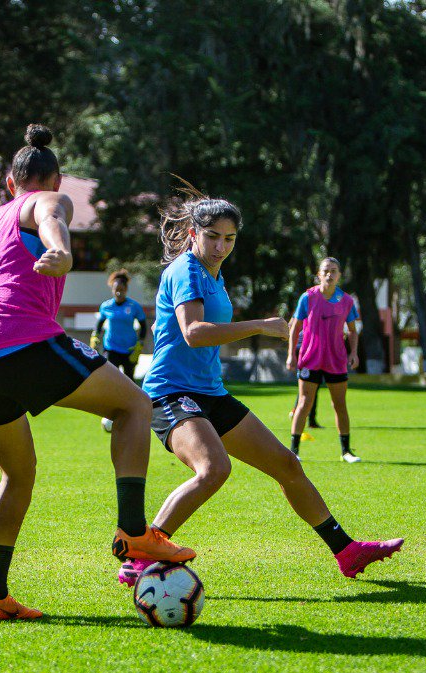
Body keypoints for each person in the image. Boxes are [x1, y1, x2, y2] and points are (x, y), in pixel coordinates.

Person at [0, 124, 195, 621]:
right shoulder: (47, 201)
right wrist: (61, 249)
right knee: (134, 405)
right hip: (16, 340)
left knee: (17, 475)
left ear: (10, 183)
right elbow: (51, 215)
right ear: (55, 180)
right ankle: (134, 531)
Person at [118, 189, 402, 586]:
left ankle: (347, 551)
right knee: (214, 468)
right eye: (213, 236)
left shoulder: (214, 274)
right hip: (170, 392)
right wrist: (259, 325)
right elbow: (194, 333)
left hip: (210, 392)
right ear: (193, 232)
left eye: (230, 239)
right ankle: (144, 548)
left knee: (288, 465)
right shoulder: (185, 270)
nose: (221, 246)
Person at [286, 258, 361, 463]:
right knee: (304, 403)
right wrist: (291, 354)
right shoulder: (307, 298)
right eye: (326, 271)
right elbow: (295, 328)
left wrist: (353, 353)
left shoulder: (346, 301)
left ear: (339, 275)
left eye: (333, 271)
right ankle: (294, 451)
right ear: (319, 275)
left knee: (340, 405)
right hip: (310, 358)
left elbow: (353, 331)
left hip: (336, 360)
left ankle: (346, 451)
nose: (329, 274)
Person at [91, 268, 148, 382]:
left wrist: (140, 344)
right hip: (111, 347)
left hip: (129, 348)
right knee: (111, 378)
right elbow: (100, 323)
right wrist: (95, 336)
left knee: (129, 379)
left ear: (126, 289)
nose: (118, 293)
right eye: (116, 289)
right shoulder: (106, 306)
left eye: (121, 290)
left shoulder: (134, 306)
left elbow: (143, 325)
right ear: (112, 289)